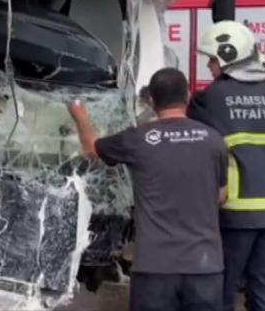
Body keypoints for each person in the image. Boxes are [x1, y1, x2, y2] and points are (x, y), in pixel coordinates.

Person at [68, 68, 228, 311]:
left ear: (151, 101)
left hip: (156, 269)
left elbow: (92, 149)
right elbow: (221, 195)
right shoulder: (214, 139)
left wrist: (78, 113)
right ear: (188, 94)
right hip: (205, 268)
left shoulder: (138, 139)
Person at [186, 20, 265, 311]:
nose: (209, 66)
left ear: (226, 57)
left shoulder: (208, 98)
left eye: (212, 59)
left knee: (220, 289)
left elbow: (196, 151)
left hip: (233, 212)